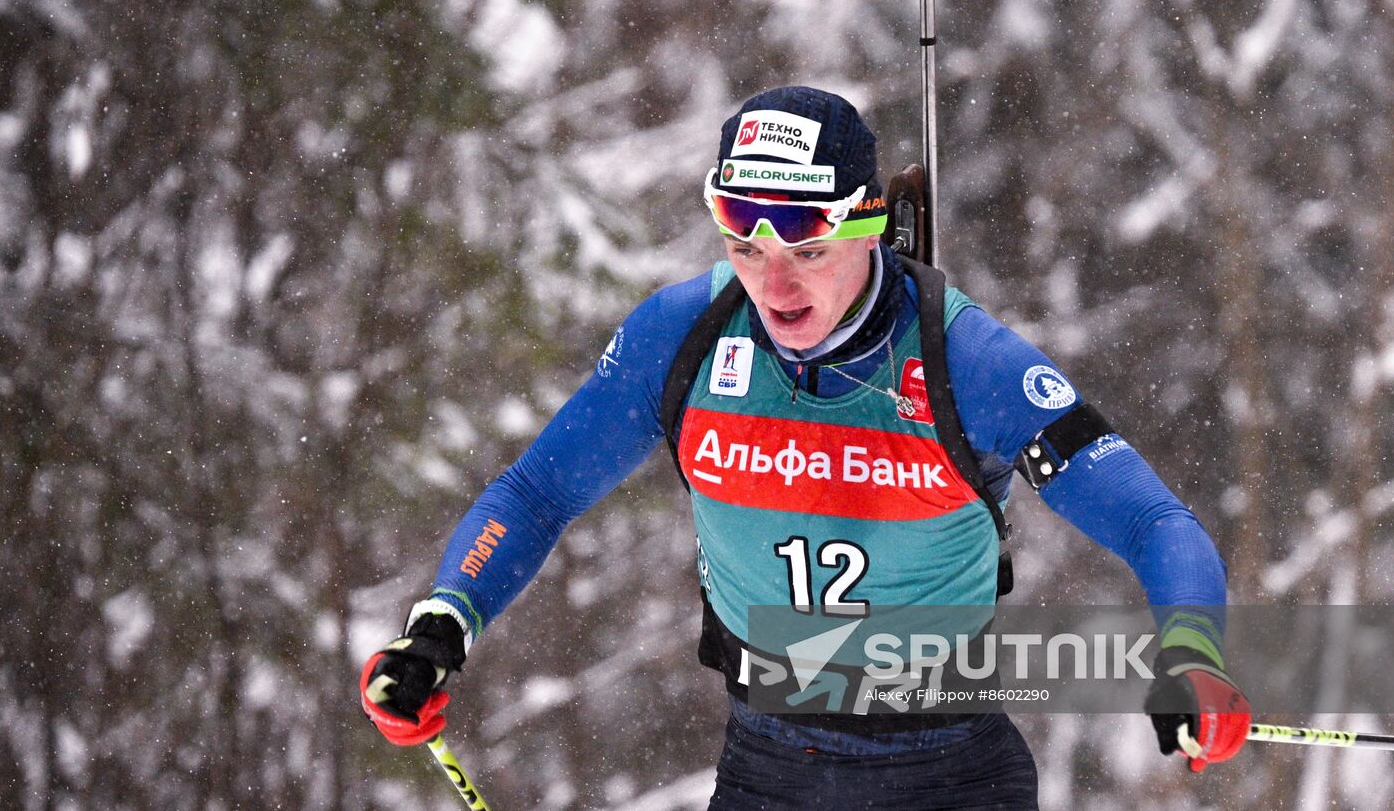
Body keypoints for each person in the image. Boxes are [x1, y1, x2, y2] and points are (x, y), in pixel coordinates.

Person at [360, 86, 1251, 808]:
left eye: (807, 243)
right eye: (744, 242)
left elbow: (1149, 519)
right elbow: (535, 492)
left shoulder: (963, 360)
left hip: (951, 771)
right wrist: (441, 624)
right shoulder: (687, 337)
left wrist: (1191, 654)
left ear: (866, 224)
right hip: (770, 768)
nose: (773, 280)